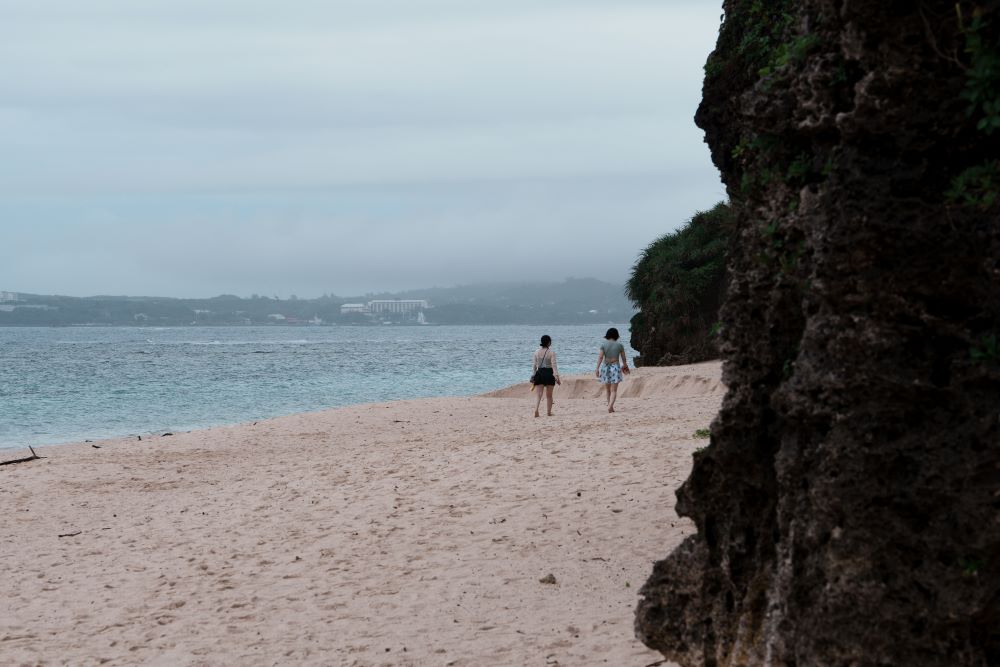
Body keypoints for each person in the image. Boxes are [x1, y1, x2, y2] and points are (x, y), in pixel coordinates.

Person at [596, 327, 629, 413]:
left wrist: (597, 368)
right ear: (616, 335)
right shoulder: (620, 345)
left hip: (605, 367)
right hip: (615, 367)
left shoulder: (603, 345)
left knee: (607, 390)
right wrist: (625, 366)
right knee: (614, 390)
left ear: (607, 335)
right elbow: (623, 358)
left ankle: (610, 406)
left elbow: (600, 357)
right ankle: (610, 406)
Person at [531, 334, 560, 417]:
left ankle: (536, 410)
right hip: (549, 374)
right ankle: (549, 412)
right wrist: (557, 377)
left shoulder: (536, 352)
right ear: (549, 343)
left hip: (539, 373)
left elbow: (534, 365)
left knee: (539, 395)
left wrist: (533, 375)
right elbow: (554, 366)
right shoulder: (551, 352)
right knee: (549, 395)